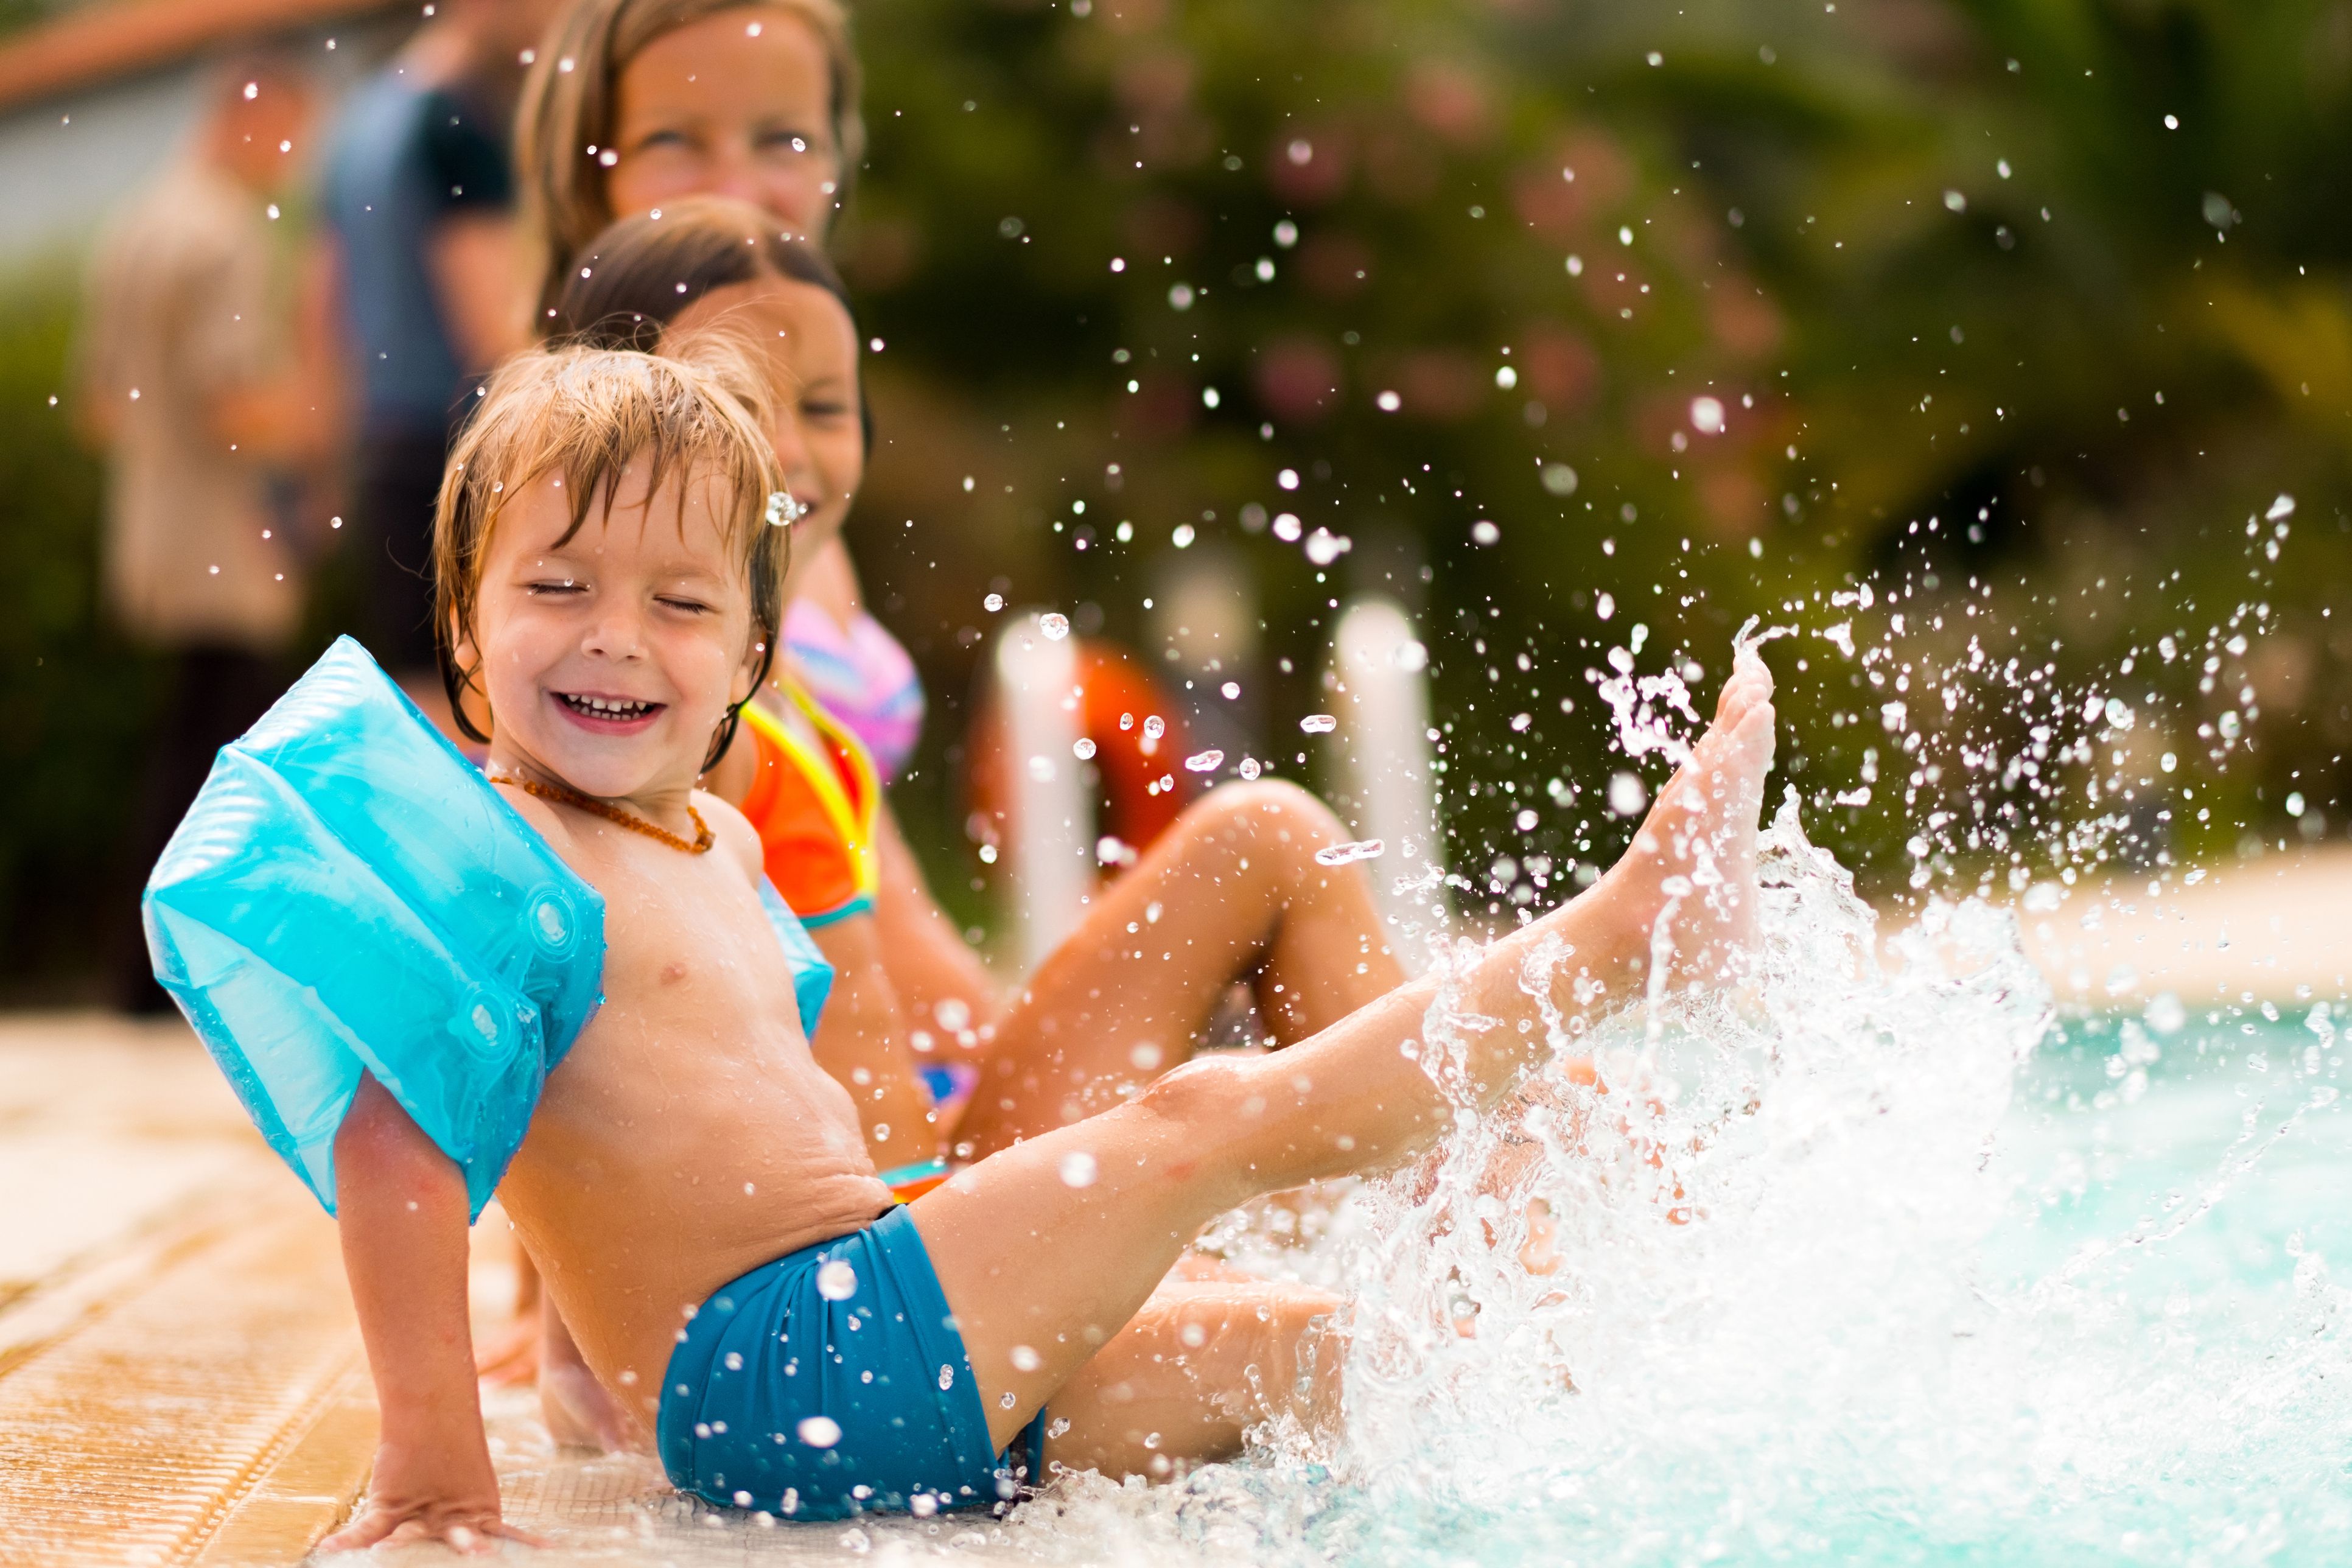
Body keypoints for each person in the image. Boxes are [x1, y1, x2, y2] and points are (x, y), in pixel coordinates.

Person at [310, 339, 1777, 1545]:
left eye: (679, 603)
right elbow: (402, 1135)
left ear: (749, 658)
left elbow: (631, 1144)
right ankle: (1629, 938)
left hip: (858, 1338)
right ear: (462, 620)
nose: (616, 636)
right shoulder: (497, 860)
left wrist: (584, 1370)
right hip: (781, 1365)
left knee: (1331, 1352)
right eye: (556, 588)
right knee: (1195, 1125)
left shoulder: (711, 839)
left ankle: (1711, 1430)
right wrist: (436, 1464)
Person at [547, 203, 1405, 1175]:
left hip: (950, 1134)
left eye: (825, 408)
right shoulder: (651, 711)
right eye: (742, 402)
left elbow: (887, 910)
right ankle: (1483, 1231)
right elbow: (587, 1044)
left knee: (1271, 841)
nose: (789, 447)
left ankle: (1477, 1218)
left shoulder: (779, 653)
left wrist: (1007, 1046)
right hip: (891, 1230)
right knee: (1269, 841)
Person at [517, 0, 926, 779]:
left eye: (785, 140)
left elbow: (856, 858)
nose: (735, 187)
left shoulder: (803, 454)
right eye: (673, 139)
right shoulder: (561, 459)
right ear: (585, 173)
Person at [79, 56, 336, 1012]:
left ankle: (135, 977)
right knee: (223, 767)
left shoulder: (135, 224)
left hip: (152, 530)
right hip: (227, 535)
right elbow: (235, 403)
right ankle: (183, 980)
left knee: (182, 750)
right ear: (254, 116)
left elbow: (100, 406)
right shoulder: (227, 233)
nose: (294, 162)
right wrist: (320, 421)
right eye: (294, 135)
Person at [316, 0, 565, 713]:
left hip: (386, 452)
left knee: (425, 708)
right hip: (462, 449)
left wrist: (329, 461)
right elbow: (493, 330)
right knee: (484, 714)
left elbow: (322, 310)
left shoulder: (358, 120)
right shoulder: (456, 126)